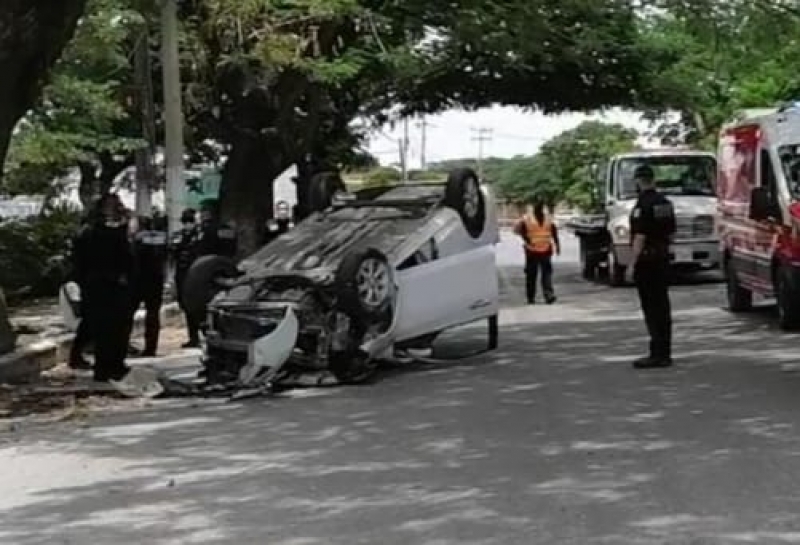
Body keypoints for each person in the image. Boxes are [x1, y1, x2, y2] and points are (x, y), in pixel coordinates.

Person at [72, 194, 135, 382]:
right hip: (108, 286)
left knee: (109, 329)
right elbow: (127, 258)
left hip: (99, 286)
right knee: (111, 329)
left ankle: (109, 367)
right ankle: (111, 367)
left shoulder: (87, 232)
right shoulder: (108, 233)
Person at [627, 164, 677, 369]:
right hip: (663, 258)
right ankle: (665, 351)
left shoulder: (642, 205)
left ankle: (656, 354)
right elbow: (671, 233)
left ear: (639, 181)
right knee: (663, 307)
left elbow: (640, 236)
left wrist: (631, 264)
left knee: (651, 308)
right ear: (653, 179)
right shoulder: (665, 202)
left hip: (647, 262)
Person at [129, 212, 168, 357]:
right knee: (153, 314)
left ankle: (124, 346)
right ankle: (151, 348)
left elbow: (131, 258)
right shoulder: (161, 238)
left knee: (128, 314)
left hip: (138, 280)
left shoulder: (137, 239)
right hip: (156, 279)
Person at [514, 200, 560, 304]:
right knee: (531, 275)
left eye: (540, 207)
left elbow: (554, 232)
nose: (539, 209)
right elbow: (520, 231)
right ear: (534, 208)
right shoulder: (527, 219)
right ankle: (531, 297)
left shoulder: (548, 218)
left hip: (545, 250)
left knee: (546, 275)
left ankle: (549, 295)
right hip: (532, 251)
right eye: (537, 207)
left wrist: (557, 245)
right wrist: (527, 240)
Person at [172, 208, 200, 348]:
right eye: (186, 222)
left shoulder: (200, 236)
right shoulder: (179, 236)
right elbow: (174, 253)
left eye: (190, 221)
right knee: (186, 306)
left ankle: (199, 336)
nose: (188, 224)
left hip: (196, 274)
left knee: (197, 307)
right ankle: (193, 337)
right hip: (182, 275)